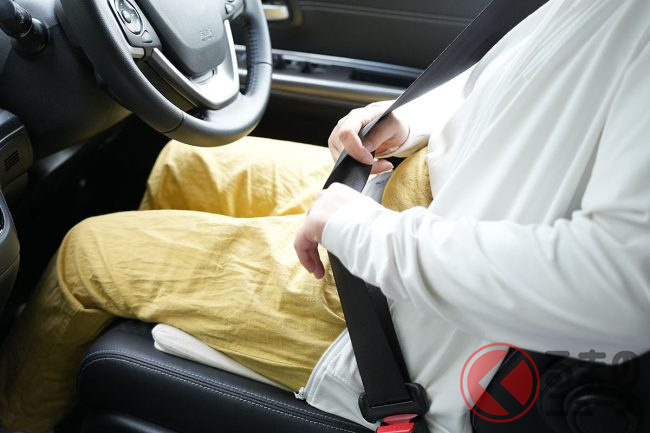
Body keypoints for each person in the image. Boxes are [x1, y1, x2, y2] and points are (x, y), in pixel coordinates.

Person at [1, 0, 649, 432]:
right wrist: (411, 122)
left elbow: (622, 287)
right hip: (422, 188)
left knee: (88, 257)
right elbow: (542, 85)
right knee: (184, 164)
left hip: (414, 316)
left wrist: (364, 233)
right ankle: (154, 319)